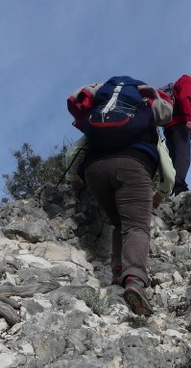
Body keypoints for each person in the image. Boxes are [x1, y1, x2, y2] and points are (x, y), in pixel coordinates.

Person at [65, 78, 175, 317]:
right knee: (136, 226)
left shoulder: (100, 114)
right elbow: (166, 164)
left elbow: (74, 152)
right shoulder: (144, 116)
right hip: (133, 166)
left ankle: (117, 273)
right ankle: (134, 279)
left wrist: (74, 176)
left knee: (118, 223)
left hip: (94, 172)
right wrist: (163, 191)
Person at [161, 68, 191, 195]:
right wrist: (189, 119)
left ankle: (167, 188)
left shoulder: (180, 82)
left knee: (171, 157)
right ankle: (179, 185)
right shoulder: (187, 80)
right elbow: (184, 97)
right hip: (180, 125)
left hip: (168, 126)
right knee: (183, 156)